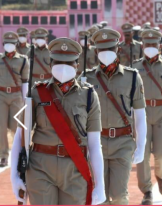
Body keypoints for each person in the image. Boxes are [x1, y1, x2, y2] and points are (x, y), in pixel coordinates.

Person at [10, 37, 105, 205]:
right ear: (50, 64)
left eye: (68, 63)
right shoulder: (36, 93)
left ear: (77, 65)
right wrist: (15, 176)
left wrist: (100, 184)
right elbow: (20, 135)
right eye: (58, 62)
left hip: (75, 168)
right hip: (40, 167)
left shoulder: (89, 95)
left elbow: (95, 144)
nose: (63, 67)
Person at [85, 28, 147, 205]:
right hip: (96, 144)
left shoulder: (132, 77)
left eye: (110, 49)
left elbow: (140, 113)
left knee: (119, 195)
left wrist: (141, 145)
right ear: (96, 51)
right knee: (99, 195)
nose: (106, 53)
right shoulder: (86, 78)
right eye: (102, 50)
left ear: (117, 49)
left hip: (122, 143)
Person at [132, 29, 162, 205]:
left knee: (161, 153)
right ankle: (147, 191)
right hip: (141, 115)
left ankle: (159, 175)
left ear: (160, 46)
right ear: (142, 46)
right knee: (142, 155)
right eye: (147, 44)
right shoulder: (135, 67)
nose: (150, 47)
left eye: (154, 44)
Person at [0, 32, 29, 167]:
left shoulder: (23, 60)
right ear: (3, 44)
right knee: (0, 127)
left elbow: (24, 82)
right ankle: (3, 155)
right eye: (6, 43)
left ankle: (19, 153)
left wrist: (25, 101)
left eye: (11, 43)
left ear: (16, 44)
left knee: (16, 126)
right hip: (1, 95)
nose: (9, 46)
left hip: (16, 96)